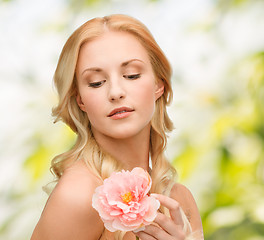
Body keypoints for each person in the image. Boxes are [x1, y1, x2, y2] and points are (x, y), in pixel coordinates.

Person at [31, 14, 204, 240]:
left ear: (159, 84)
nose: (115, 92)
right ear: (80, 100)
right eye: (96, 82)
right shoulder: (78, 195)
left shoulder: (180, 201)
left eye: (131, 75)